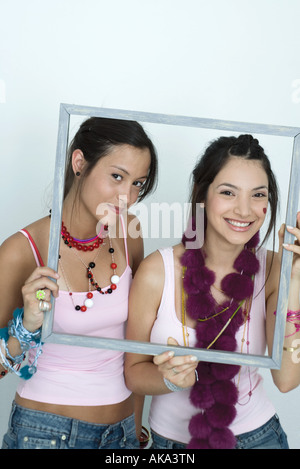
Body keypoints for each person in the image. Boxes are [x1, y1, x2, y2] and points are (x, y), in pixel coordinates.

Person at [125, 134, 300, 450]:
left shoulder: (276, 269)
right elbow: (133, 374)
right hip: (171, 445)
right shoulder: (156, 270)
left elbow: (287, 379)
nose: (244, 210)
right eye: (228, 192)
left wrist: (297, 276)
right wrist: (168, 378)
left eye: (258, 194)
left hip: (259, 439)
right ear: (202, 195)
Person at [0, 116, 157, 449]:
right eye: (117, 176)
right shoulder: (22, 249)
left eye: (138, 184)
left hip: (123, 433)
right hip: (45, 434)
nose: (127, 196)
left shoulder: (130, 233)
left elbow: (137, 347)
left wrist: (137, 429)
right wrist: (27, 325)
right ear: (79, 162)